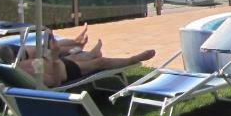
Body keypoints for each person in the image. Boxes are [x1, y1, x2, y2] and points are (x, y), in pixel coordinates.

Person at [18, 36, 156, 88]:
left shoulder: (17, 67)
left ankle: (91, 54)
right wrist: (53, 60)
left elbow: (40, 66)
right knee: (101, 62)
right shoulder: (29, 76)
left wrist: (50, 57)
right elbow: (55, 82)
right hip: (68, 71)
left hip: (60, 63)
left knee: (74, 57)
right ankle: (133, 59)